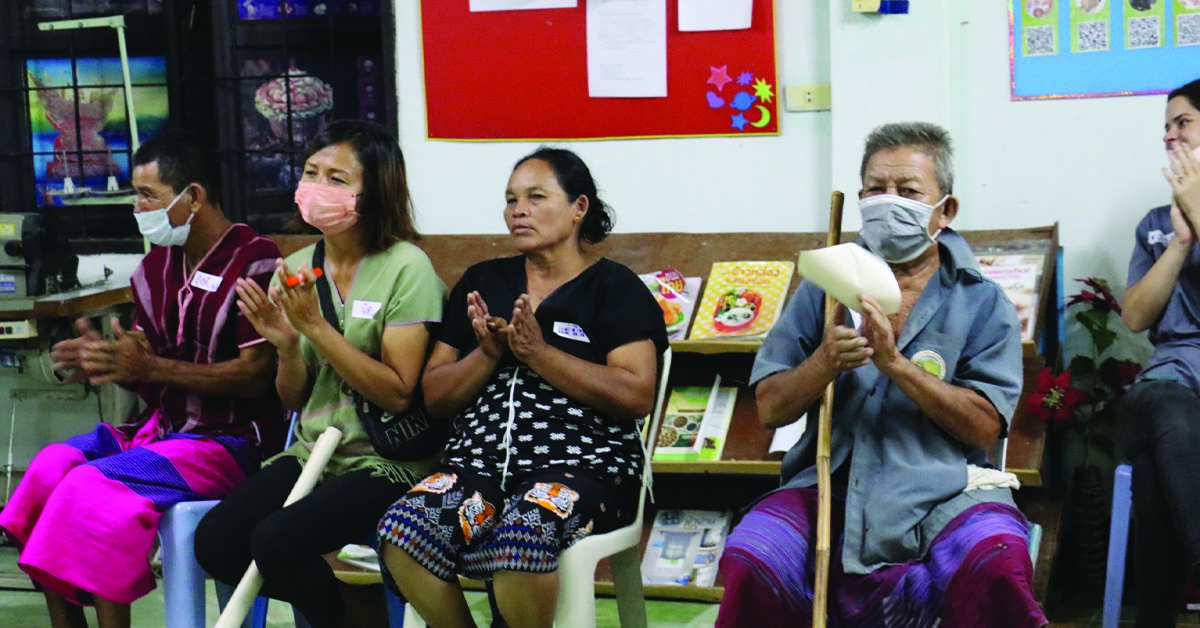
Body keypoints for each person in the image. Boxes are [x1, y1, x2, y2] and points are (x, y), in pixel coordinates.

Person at [715, 122, 1047, 628]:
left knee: (994, 561)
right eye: (875, 190)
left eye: (909, 192)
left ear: (946, 210)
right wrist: (822, 364)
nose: (888, 203)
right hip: (832, 484)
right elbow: (770, 407)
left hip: (947, 489)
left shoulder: (982, 300)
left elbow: (984, 427)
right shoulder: (825, 288)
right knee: (754, 556)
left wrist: (897, 367)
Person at [0, 130, 285, 628]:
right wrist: (108, 360)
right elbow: (145, 363)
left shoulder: (255, 261)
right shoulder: (154, 271)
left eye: (148, 194)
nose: (138, 206)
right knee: (48, 472)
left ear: (192, 197)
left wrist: (149, 367)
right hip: (164, 432)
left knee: (91, 487)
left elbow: (256, 378)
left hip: (230, 445)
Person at [377, 147, 668, 628]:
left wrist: (540, 353)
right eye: (511, 199)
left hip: (582, 469)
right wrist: (488, 355)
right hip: (478, 469)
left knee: (522, 536)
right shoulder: (483, 281)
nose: (519, 210)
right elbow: (436, 394)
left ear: (579, 208)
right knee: (403, 530)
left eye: (536, 197)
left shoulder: (613, 287)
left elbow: (636, 394)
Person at [193, 120, 446, 628]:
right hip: (314, 452)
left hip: (387, 461)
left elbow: (399, 394)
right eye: (312, 173)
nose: (317, 188)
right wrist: (287, 346)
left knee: (276, 539)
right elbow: (295, 400)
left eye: (337, 178)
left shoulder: (406, 266)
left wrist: (315, 327)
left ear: (372, 192)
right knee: (217, 542)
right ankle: (357, 615)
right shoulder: (296, 266)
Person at [1117, 77, 1200, 628]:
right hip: (1169, 387)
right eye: (1165, 127)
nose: (1169, 136)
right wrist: (1181, 240)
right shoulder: (1154, 224)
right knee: (1170, 411)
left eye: (1183, 123)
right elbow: (1137, 317)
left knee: (1151, 477)